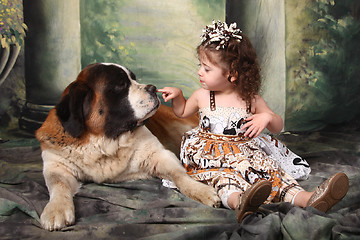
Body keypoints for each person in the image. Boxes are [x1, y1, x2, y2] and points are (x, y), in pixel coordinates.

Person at [157, 20, 349, 222]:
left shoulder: (251, 99)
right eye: (200, 66)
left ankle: (307, 198)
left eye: (206, 69)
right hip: (209, 156)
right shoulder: (202, 96)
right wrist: (178, 97)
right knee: (224, 180)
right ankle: (239, 201)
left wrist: (267, 117)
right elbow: (182, 112)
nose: (199, 72)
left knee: (271, 173)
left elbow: (277, 126)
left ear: (232, 74)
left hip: (245, 154)